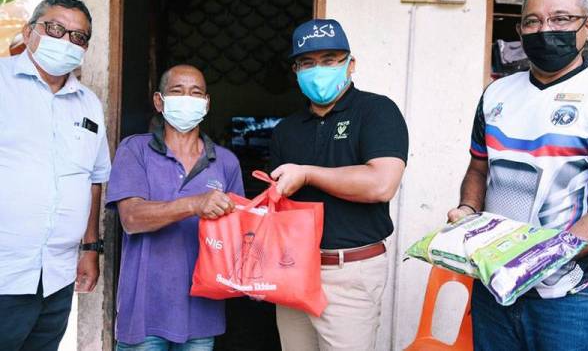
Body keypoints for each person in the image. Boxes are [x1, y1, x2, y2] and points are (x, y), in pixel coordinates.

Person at [447, 0, 588, 350]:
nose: (545, 30)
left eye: (561, 19)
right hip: (495, 288)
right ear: (519, 30)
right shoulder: (497, 93)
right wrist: (468, 209)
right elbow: (479, 168)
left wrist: (544, 255)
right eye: (532, 22)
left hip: (571, 294)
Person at [270, 18, 409, 350]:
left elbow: (381, 184)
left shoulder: (377, 112)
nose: (318, 70)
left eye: (329, 60)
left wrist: (307, 173)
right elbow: (278, 203)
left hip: (349, 272)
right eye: (307, 63)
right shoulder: (286, 130)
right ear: (296, 71)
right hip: (293, 268)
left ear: (350, 65)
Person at [106, 64, 244, 350]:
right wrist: (195, 203)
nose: (187, 98)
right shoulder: (135, 150)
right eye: (177, 91)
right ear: (159, 101)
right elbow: (131, 218)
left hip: (202, 312)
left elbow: (238, 235)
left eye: (195, 93)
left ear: (206, 104)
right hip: (145, 311)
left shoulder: (226, 162)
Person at [0, 0, 111, 350]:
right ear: (29, 30)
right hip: (6, 271)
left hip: (57, 276)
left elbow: (94, 179)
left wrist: (90, 247)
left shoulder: (89, 104)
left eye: (79, 37)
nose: (67, 41)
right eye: (56, 29)